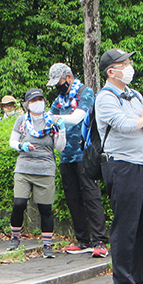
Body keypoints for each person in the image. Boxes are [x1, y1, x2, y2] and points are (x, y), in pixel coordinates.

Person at [95, 49, 143, 284]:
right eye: (123, 63)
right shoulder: (105, 97)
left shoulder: (134, 95)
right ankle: (122, 280)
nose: (129, 66)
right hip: (122, 165)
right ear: (111, 71)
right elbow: (125, 125)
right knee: (125, 224)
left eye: (129, 62)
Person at [47, 62, 108, 257]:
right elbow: (46, 119)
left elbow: (77, 117)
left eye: (60, 81)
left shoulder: (85, 93)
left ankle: (100, 241)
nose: (58, 85)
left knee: (91, 197)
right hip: (65, 154)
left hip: (85, 154)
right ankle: (82, 240)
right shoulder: (58, 100)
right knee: (73, 198)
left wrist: (56, 119)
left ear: (69, 76)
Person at [7, 88, 66, 258]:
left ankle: (47, 244)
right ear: (27, 104)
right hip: (24, 167)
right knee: (19, 203)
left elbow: (59, 147)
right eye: (33, 100)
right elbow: (13, 141)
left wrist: (61, 130)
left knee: (45, 208)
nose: (37, 103)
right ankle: (15, 238)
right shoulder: (21, 120)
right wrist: (21, 146)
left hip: (45, 168)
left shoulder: (52, 121)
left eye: (40, 99)